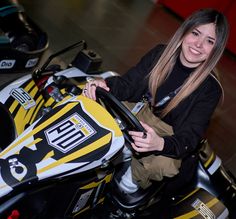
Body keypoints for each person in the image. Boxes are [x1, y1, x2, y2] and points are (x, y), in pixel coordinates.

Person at [82, 8, 229, 193]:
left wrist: (159, 143)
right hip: (141, 111)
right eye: (196, 33)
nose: (198, 44)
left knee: (164, 165)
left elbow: (189, 137)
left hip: (168, 132)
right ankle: (127, 149)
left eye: (209, 41)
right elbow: (129, 85)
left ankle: (133, 177)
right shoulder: (161, 53)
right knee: (97, 99)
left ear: (215, 50)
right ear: (185, 31)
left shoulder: (210, 88)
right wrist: (104, 84)